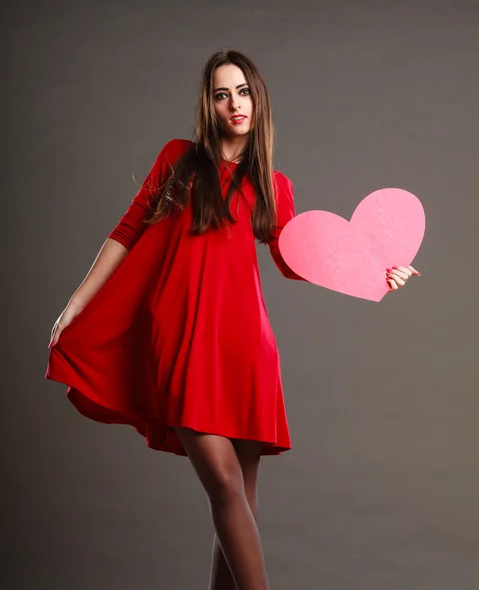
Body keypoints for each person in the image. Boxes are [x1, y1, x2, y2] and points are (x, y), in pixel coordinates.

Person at [45, 49, 420, 590]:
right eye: (222, 93)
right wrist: (75, 304)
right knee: (223, 485)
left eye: (242, 91)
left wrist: (376, 273)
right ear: (209, 104)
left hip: (247, 348)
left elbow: (296, 261)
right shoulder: (178, 159)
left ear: (257, 99)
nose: (234, 103)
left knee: (241, 501)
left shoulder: (273, 183)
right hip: (182, 339)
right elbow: (126, 232)